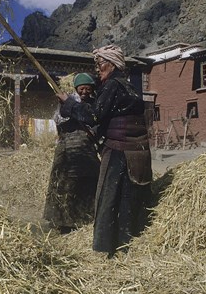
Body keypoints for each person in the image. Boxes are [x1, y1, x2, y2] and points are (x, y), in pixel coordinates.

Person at [58, 45, 152, 256]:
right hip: (138, 152)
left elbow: (93, 115)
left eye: (100, 65)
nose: (98, 69)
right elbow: (109, 117)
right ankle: (126, 243)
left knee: (109, 198)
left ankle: (108, 248)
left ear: (111, 64)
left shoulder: (113, 86)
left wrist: (69, 103)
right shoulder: (129, 86)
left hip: (120, 152)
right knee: (127, 199)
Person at [43, 73, 100, 234]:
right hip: (67, 149)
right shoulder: (67, 101)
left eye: (88, 89)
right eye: (82, 89)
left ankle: (86, 217)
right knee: (64, 185)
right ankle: (61, 222)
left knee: (89, 183)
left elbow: (96, 121)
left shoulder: (93, 104)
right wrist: (67, 105)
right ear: (76, 88)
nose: (85, 92)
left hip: (86, 149)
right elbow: (59, 120)